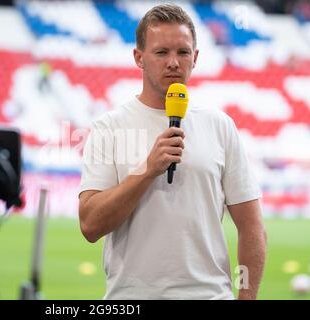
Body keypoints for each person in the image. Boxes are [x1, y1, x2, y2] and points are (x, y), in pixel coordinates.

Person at [78, 4, 266, 300]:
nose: (174, 63)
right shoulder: (109, 127)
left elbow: (252, 227)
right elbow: (90, 225)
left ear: (196, 57)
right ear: (139, 58)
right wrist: (147, 170)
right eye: (161, 52)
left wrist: (246, 295)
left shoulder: (220, 125)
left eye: (183, 52)